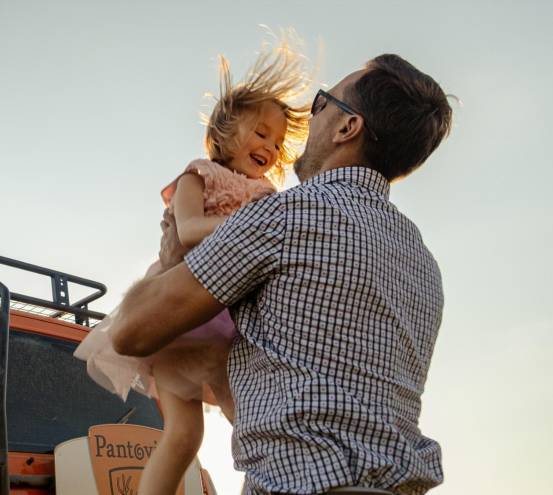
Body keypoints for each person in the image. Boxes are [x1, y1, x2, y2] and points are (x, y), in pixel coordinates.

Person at [110, 54, 453, 495]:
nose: (308, 121)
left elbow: (131, 332)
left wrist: (174, 252)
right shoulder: (423, 262)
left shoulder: (284, 215)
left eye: (321, 103)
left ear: (348, 127)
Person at [73, 40, 311, 495]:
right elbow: (188, 231)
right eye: (261, 132)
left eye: (278, 142)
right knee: (200, 431)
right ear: (225, 130)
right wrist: (248, 225)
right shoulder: (199, 175)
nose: (270, 147)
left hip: (227, 325)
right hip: (177, 317)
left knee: (228, 429)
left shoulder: (266, 195)